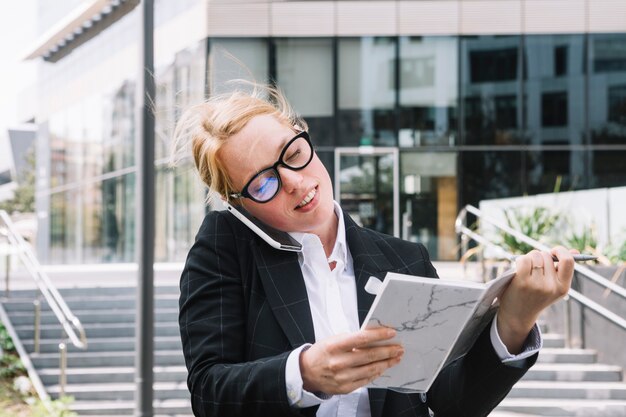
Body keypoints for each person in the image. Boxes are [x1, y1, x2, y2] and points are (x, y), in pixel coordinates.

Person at [172, 83, 576, 417]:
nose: (294, 182)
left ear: (303, 133)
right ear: (238, 204)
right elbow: (209, 392)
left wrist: (515, 319)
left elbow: (454, 403)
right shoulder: (225, 247)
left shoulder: (404, 259)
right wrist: (302, 374)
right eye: (263, 184)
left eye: (293, 154)